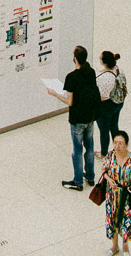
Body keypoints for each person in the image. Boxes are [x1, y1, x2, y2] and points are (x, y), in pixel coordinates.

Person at [48, 44, 100, 189]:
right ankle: (90, 176)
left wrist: (55, 94)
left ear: (75, 59)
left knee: (77, 149)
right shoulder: (91, 72)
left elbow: (69, 101)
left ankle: (78, 181)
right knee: (89, 147)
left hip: (77, 119)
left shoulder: (71, 77)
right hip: (90, 117)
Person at [99, 129, 131, 253]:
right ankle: (115, 245)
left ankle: (125, 246)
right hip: (113, 194)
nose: (117, 146)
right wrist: (108, 179)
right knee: (112, 218)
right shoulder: (110, 156)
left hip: (127, 194)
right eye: (115, 143)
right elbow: (103, 169)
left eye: (120, 143)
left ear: (126, 144)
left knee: (127, 219)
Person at [95, 50, 126, 155]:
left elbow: (103, 97)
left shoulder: (105, 78)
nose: (99, 57)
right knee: (114, 126)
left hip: (107, 106)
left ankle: (103, 153)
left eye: (100, 57)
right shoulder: (118, 69)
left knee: (104, 130)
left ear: (105, 63)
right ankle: (118, 150)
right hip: (118, 102)